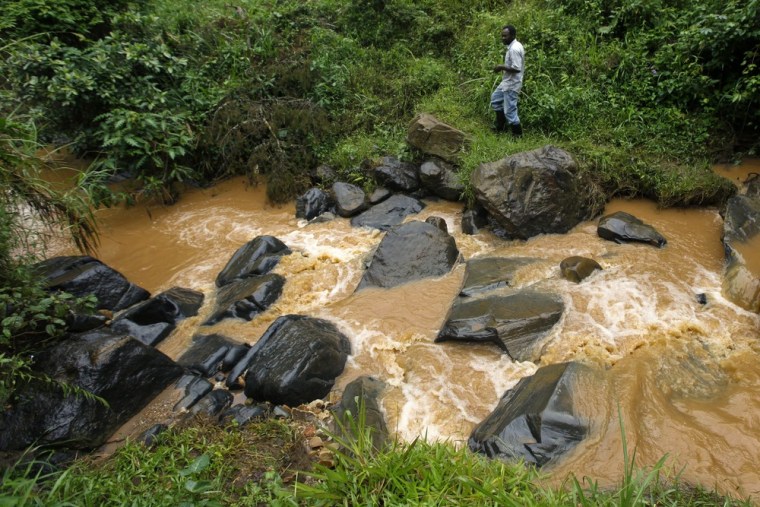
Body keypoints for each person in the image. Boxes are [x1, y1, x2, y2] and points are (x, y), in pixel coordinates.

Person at [490, 25, 524, 136]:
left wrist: (501, 67)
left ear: (513, 35)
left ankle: (517, 136)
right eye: (502, 36)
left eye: (505, 36)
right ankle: (501, 126)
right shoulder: (514, 45)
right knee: (495, 100)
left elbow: (517, 68)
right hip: (506, 82)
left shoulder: (514, 49)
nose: (503, 38)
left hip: (512, 84)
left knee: (510, 111)